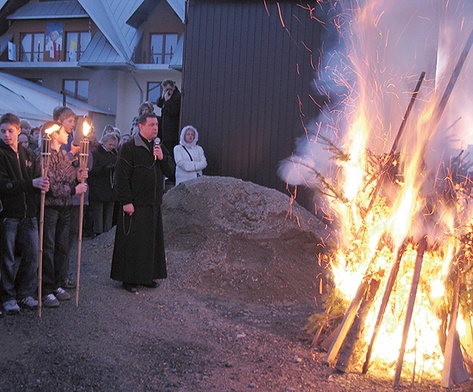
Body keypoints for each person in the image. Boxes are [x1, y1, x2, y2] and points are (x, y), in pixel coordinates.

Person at [111, 112, 175, 293]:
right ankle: (129, 279)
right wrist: (126, 201)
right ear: (141, 126)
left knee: (149, 244)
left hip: (153, 203)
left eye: (156, 125)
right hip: (135, 204)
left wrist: (162, 157)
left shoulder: (159, 146)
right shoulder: (130, 147)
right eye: (151, 125)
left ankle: (146, 276)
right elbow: (122, 177)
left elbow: (170, 171)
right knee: (133, 243)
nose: (155, 128)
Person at [0, 113, 49, 314]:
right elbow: (3, 184)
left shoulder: (28, 154)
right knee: (8, 258)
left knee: (32, 254)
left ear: (19, 130)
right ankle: (7, 296)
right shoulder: (1, 154)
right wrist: (31, 184)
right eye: (2, 131)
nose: (6, 135)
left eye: (10, 131)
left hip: (29, 213)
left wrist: (43, 184)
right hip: (9, 213)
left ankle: (24, 292)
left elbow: (37, 177)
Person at [41, 121, 88, 308]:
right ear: (54, 134)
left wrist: (78, 175)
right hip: (51, 208)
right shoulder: (45, 156)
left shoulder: (62, 155)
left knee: (61, 247)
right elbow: (51, 185)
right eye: (64, 131)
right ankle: (45, 288)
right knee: (49, 248)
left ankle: (57, 283)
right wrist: (74, 190)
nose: (68, 134)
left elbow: (68, 177)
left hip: (65, 208)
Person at [89, 132, 118, 236]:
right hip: (99, 188)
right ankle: (98, 233)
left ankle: (107, 232)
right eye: (110, 145)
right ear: (104, 143)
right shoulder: (95, 154)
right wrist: (104, 169)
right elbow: (91, 171)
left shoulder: (114, 154)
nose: (111, 147)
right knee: (98, 213)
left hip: (111, 188)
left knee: (109, 213)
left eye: (113, 145)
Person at [156, 80, 181, 159]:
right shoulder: (166, 95)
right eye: (165, 89)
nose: (167, 91)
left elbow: (174, 111)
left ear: (173, 87)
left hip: (173, 131)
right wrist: (163, 96)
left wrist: (167, 101)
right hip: (165, 130)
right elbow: (159, 104)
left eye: (169, 89)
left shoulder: (178, 97)